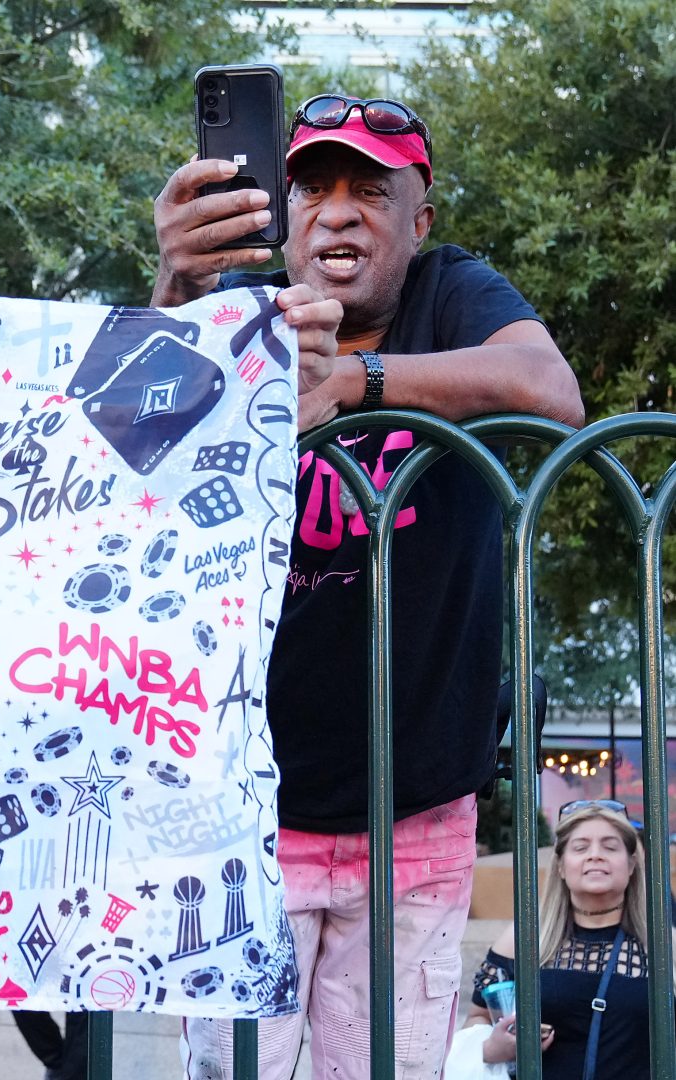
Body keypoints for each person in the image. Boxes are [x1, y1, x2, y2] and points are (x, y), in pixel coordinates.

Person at [152, 95, 584, 1079]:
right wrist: (177, 280)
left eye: (369, 191)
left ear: (420, 217)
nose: (337, 212)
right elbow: (121, 436)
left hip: (416, 817)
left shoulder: (455, 295)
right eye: (313, 186)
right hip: (250, 816)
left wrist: (355, 382)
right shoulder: (243, 305)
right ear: (288, 210)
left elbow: (552, 392)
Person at [466, 801, 650, 1077]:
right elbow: (477, 1017)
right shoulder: (524, 939)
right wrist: (494, 1047)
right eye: (580, 847)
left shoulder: (662, 945)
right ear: (561, 866)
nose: (595, 855)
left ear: (632, 864)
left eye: (610, 847)